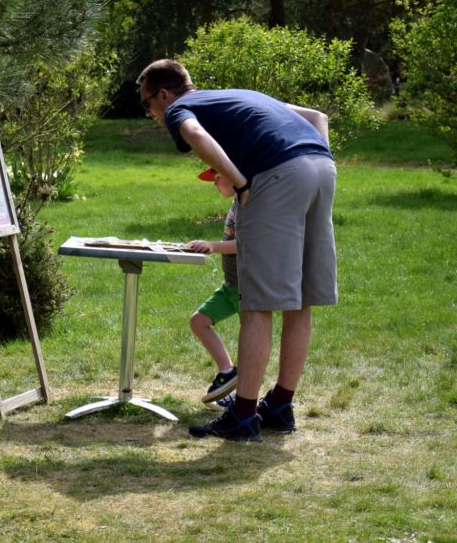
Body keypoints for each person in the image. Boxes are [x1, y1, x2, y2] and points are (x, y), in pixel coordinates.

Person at [138, 58, 337, 442]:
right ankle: (279, 405)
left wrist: (240, 182)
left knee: (257, 302)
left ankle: (243, 417)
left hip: (276, 175)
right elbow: (317, 115)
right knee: (301, 298)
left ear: (163, 94)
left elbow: (195, 135)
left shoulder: (181, 107)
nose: (152, 114)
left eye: (149, 105)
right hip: (320, 168)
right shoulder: (238, 94)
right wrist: (320, 159)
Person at [186, 167, 240, 409]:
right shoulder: (237, 203)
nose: (214, 184)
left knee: (252, 339)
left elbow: (247, 243)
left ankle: (245, 398)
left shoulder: (249, 205)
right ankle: (228, 372)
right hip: (230, 285)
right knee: (198, 321)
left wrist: (212, 246)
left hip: (247, 287)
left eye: (217, 178)